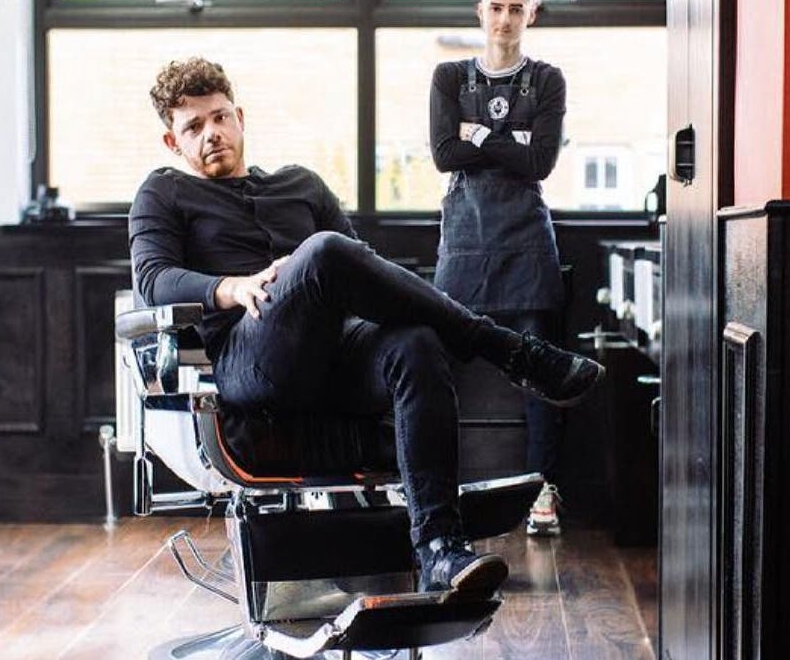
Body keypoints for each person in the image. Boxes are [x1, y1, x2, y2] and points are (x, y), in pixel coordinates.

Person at [129, 58, 604, 596]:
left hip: (333, 354)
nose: (211, 133)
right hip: (251, 357)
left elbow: (361, 269)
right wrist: (231, 287)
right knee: (324, 251)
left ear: (239, 116)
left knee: (414, 345)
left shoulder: (300, 185)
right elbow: (153, 279)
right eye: (193, 127)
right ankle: (509, 351)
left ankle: (439, 549)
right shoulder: (164, 193)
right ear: (174, 142)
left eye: (218, 118)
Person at [429, 0, 572, 536]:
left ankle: (543, 492)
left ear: (529, 13)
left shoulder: (548, 79)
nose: (506, 18)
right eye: (497, 7)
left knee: (536, 370)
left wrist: (480, 135)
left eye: (517, 8)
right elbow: (443, 153)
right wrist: (509, 140)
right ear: (481, 12)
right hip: (464, 240)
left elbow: (540, 163)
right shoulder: (448, 77)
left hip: (526, 241)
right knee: (439, 369)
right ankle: (440, 494)